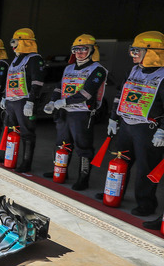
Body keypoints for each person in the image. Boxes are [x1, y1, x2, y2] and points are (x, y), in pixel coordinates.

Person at [105, 31, 164, 218]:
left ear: (153, 52)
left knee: (145, 169)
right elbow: (120, 94)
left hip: (148, 129)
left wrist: (162, 131)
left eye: (137, 50)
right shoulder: (133, 70)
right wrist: (113, 118)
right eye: (132, 51)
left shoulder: (163, 76)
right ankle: (114, 193)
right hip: (127, 126)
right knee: (120, 162)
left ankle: (146, 204)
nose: (133, 54)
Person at [43, 34, 107, 190]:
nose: (79, 52)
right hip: (64, 112)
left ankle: (83, 178)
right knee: (61, 144)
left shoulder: (98, 70)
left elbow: (87, 93)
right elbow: (59, 87)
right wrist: (52, 100)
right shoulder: (68, 67)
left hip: (82, 114)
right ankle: (59, 171)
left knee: (83, 147)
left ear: (93, 50)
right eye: (76, 49)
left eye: (84, 49)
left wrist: (63, 102)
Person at [3, 28, 45, 173]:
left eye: (15, 42)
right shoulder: (16, 59)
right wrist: (5, 97)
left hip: (24, 101)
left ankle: (26, 162)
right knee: (11, 130)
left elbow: (37, 81)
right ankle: (10, 158)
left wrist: (31, 100)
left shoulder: (34, 59)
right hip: (12, 101)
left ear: (24, 42)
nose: (12, 45)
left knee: (27, 133)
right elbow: (10, 80)